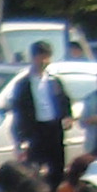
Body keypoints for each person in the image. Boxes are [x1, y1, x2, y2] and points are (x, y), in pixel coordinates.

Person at [10, 44, 71, 179]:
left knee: (57, 167)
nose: (44, 61)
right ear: (34, 58)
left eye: (47, 58)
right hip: (35, 130)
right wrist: (20, 136)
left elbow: (65, 101)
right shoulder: (23, 84)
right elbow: (18, 109)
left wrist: (67, 116)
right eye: (41, 57)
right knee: (34, 168)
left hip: (54, 128)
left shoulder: (54, 81)